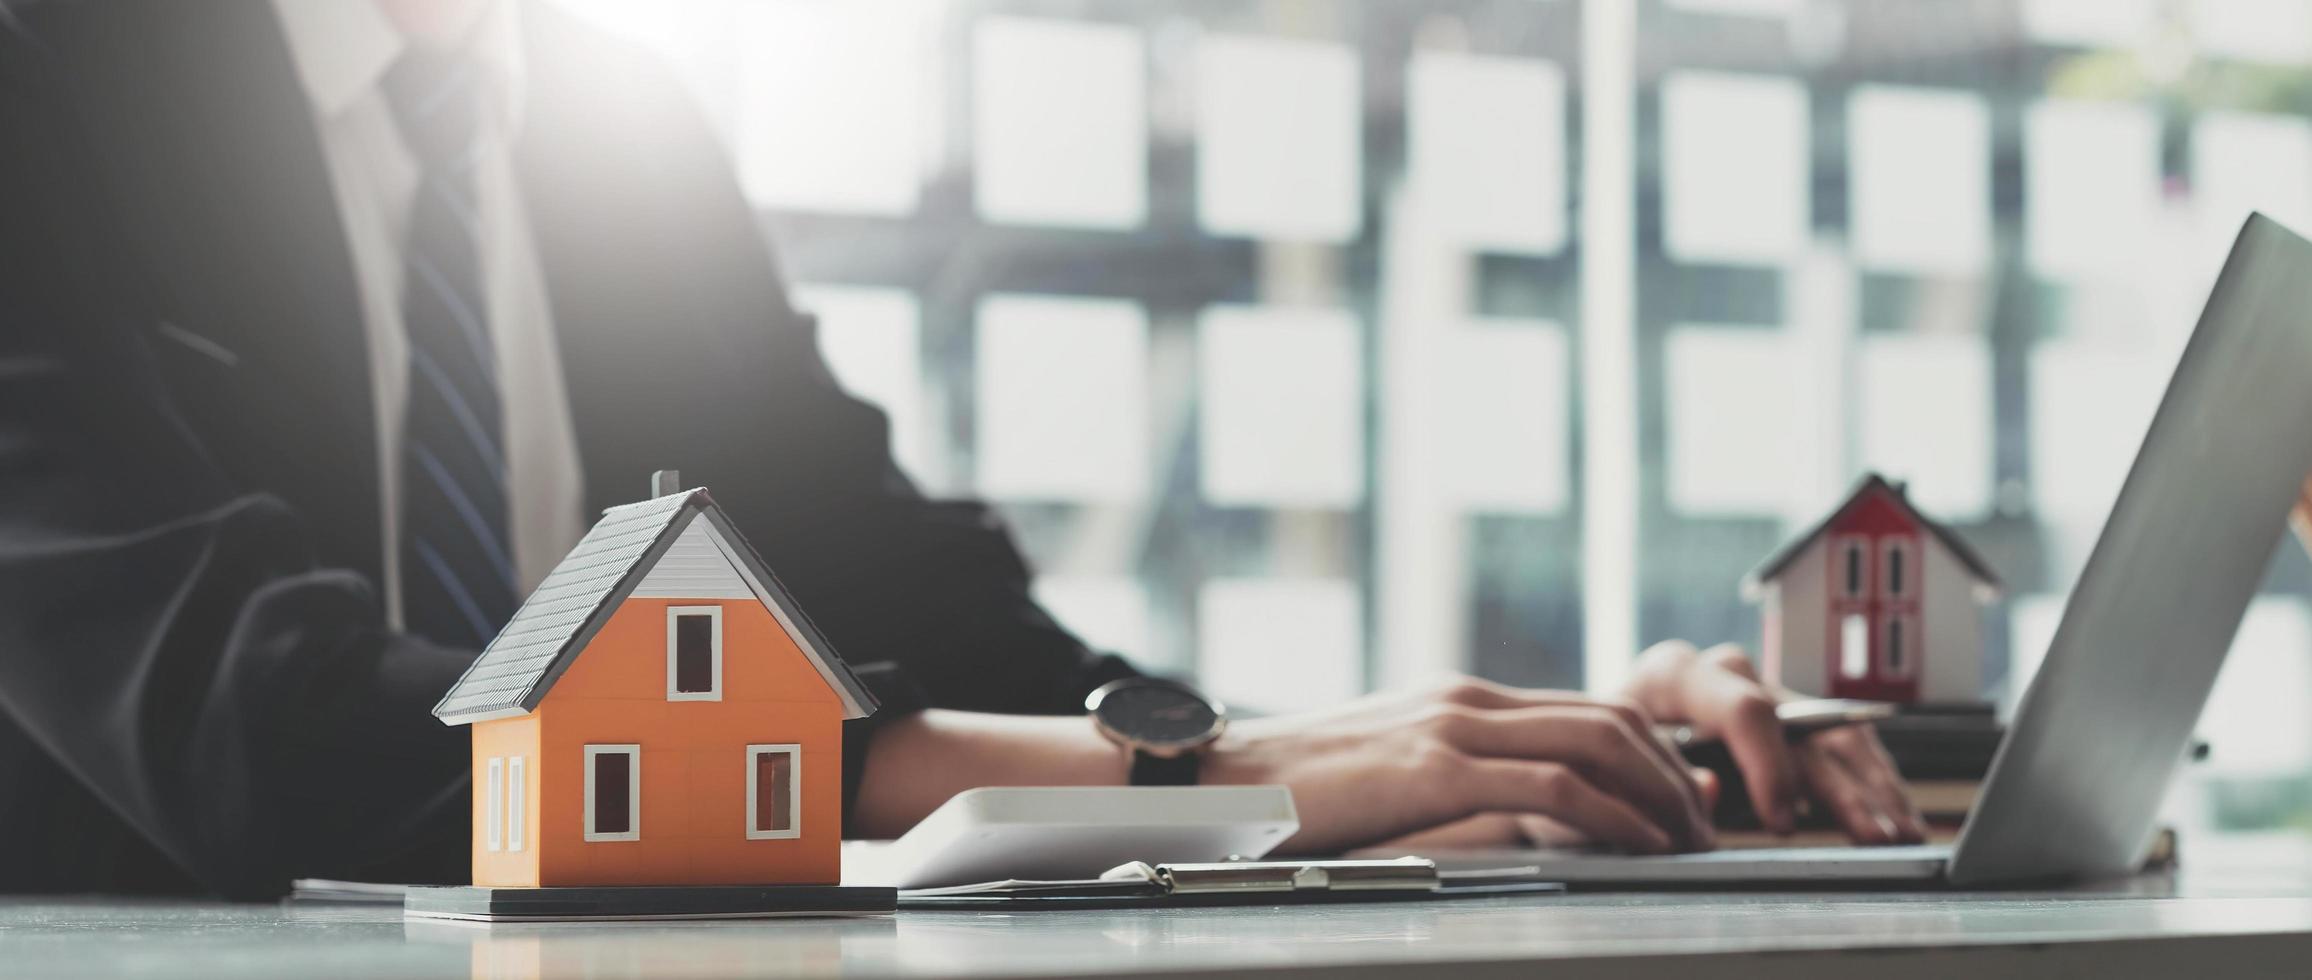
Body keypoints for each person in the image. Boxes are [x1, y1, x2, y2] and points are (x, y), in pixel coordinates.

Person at [0, 0, 1919, 899]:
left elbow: (949, 633)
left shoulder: (613, 127)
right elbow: (268, 724)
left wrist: (1454, 758)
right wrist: (1236, 781)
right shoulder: (49, 84)